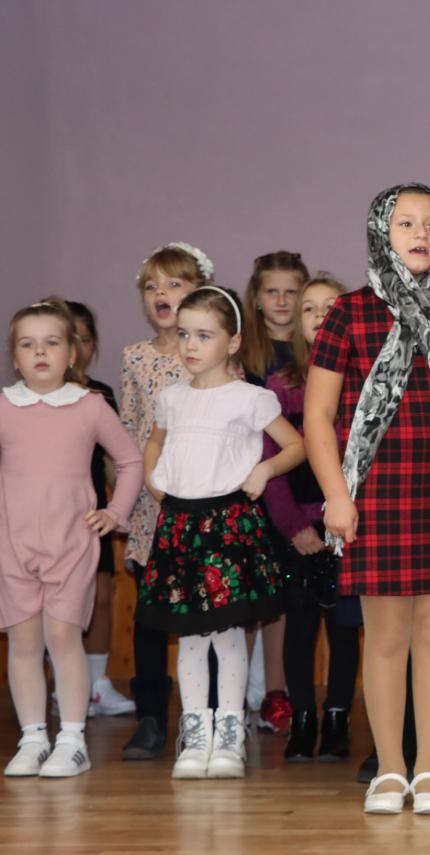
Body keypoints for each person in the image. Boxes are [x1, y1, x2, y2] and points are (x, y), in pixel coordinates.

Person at [305, 183, 430, 815]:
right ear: (380, 233)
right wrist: (336, 496)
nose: (421, 234)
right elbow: (317, 418)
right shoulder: (347, 314)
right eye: (406, 223)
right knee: (386, 638)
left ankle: (428, 771)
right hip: (375, 496)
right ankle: (390, 770)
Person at [136, 285, 304, 779]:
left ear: (232, 342)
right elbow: (155, 441)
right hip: (181, 525)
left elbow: (295, 446)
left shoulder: (250, 398)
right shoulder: (172, 398)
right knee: (190, 636)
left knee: (228, 634)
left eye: (204, 335)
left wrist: (264, 471)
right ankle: (196, 733)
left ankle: (229, 733)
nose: (190, 345)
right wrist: (156, 481)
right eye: (184, 334)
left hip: (228, 525)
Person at [1, 298, 143, 778]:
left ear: (72, 353)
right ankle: (32, 738)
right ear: (15, 356)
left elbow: (130, 461)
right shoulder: (5, 406)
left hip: (72, 543)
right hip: (13, 544)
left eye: (51, 343)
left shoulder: (89, 406)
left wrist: (115, 513)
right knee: (23, 640)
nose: (40, 352)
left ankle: (72, 739)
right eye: (28, 345)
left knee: (62, 636)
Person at [263, 274, 362, 762]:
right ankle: (303, 719)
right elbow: (269, 467)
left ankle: (338, 717)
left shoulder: (361, 384)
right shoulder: (279, 388)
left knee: (344, 628)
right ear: (298, 322)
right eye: (309, 308)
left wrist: (342, 519)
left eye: (330, 308)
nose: (320, 317)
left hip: (349, 528)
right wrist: (295, 527)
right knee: (300, 628)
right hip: (298, 532)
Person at [118, 242, 207, 760]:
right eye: (152, 286)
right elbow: (129, 430)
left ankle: (208, 717)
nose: (162, 293)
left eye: (174, 283)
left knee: (206, 613)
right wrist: (134, 495)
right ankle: (150, 717)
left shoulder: (214, 352)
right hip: (153, 508)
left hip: (205, 504)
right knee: (150, 616)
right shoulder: (135, 356)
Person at [240, 250, 312, 734]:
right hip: (247, 484)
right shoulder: (243, 355)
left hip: (294, 486)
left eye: (292, 292)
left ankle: (276, 692)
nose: (282, 301)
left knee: (284, 597)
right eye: (273, 291)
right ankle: (234, 696)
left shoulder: (314, 356)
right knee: (249, 596)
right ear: (257, 298)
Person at [66, 300, 137, 718]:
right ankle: (62, 685)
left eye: (85, 338)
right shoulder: (24, 400)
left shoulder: (99, 395)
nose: (77, 347)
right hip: (45, 517)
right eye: (68, 337)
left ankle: (96, 685)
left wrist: (122, 507)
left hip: (93, 514)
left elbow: (115, 459)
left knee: (101, 597)